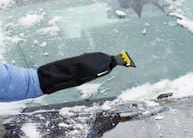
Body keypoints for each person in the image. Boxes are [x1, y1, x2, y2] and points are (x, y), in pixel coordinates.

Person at [0, 51, 136, 102]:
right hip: (34, 80)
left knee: (67, 72)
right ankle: (110, 60)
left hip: (36, 81)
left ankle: (110, 60)